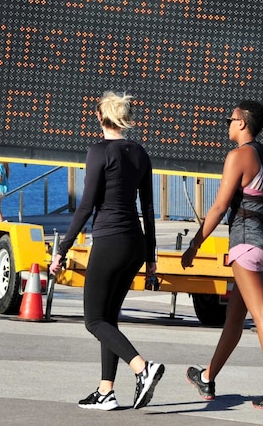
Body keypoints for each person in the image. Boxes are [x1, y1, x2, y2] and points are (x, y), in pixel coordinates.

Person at [49, 91, 163, 411]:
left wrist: (63, 247)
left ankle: (143, 368)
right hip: (135, 244)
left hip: (110, 241)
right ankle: (106, 391)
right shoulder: (140, 152)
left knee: (94, 321)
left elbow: (86, 205)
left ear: (100, 117)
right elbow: (149, 208)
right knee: (109, 318)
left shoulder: (98, 152)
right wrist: (151, 255)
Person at [182, 100, 263, 410]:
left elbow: (220, 206)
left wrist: (195, 244)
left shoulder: (237, 158)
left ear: (243, 124)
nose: (229, 124)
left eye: (231, 119)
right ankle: (207, 378)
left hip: (247, 247)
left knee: (262, 317)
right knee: (235, 317)